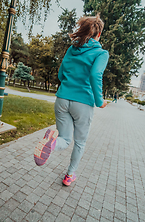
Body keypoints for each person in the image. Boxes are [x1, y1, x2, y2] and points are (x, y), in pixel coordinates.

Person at [34, 14, 109, 186]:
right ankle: (69, 175)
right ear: (99, 35)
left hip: (62, 99)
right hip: (83, 103)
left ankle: (52, 142)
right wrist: (100, 101)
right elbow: (95, 74)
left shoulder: (71, 49)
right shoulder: (101, 53)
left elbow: (61, 74)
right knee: (79, 142)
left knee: (65, 139)